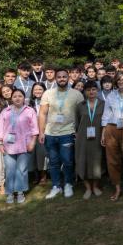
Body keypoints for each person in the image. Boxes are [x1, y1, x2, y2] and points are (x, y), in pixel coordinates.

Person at [38, 68, 84, 199]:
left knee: (68, 161)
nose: (62, 79)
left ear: (68, 78)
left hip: (68, 132)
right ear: (55, 78)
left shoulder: (76, 94)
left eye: (64, 76)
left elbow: (82, 115)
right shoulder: (48, 93)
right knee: (53, 162)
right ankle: (56, 186)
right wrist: (41, 132)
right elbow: (42, 113)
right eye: (59, 77)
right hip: (50, 133)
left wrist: (78, 131)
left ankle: (68, 184)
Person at [0, 89, 38, 203]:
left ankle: (19, 192)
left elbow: (34, 128)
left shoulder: (30, 111)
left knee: (22, 170)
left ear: (24, 98)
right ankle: (9, 193)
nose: (17, 98)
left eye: (20, 96)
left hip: (25, 144)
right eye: (15, 96)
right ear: (11, 98)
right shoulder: (5, 111)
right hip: (8, 145)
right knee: (10, 170)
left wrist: (33, 142)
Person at [101, 72, 123, 201]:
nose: (121, 81)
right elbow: (106, 114)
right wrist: (103, 133)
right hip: (112, 128)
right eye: (119, 80)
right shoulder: (111, 96)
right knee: (112, 160)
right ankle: (117, 188)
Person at [74, 81, 105, 199]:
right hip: (83, 139)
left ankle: (95, 186)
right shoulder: (80, 106)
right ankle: (87, 188)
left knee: (97, 161)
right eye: (88, 90)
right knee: (83, 161)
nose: (91, 92)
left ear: (97, 91)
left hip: (98, 137)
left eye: (93, 89)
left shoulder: (103, 104)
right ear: (84, 92)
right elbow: (77, 123)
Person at [28, 82, 48, 184]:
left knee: (42, 153)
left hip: (43, 131)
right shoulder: (29, 103)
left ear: (44, 90)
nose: (38, 91)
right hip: (31, 132)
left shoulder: (48, 102)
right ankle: (35, 175)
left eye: (40, 89)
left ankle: (43, 175)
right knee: (32, 154)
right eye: (35, 89)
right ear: (32, 91)